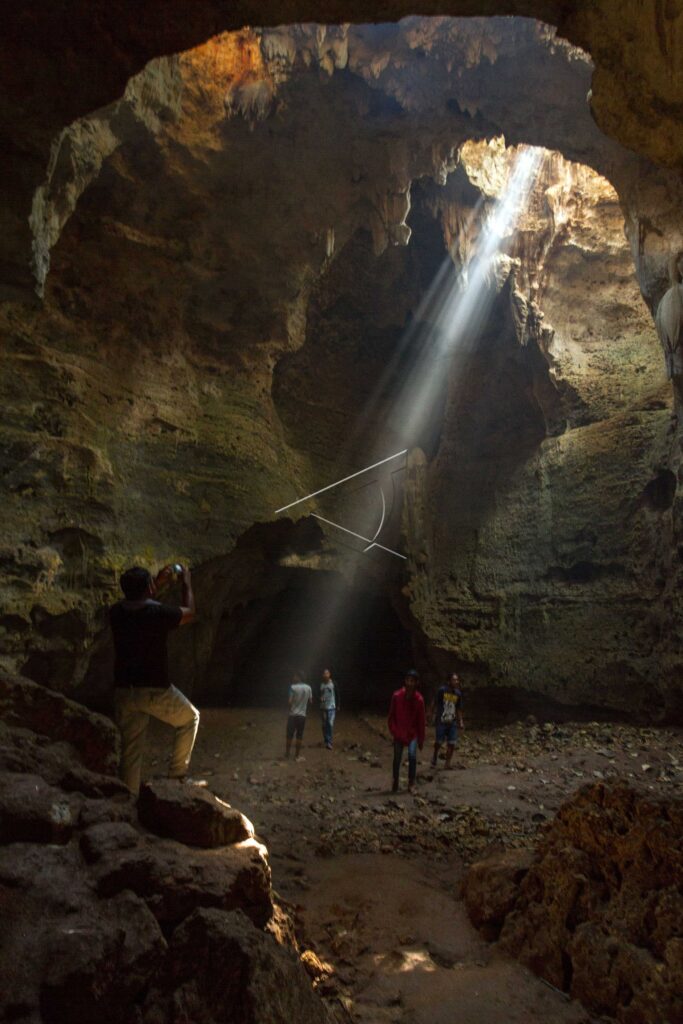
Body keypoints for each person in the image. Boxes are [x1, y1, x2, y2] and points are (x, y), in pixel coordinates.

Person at [110, 564, 198, 796]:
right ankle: (177, 777)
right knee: (190, 718)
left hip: (124, 692)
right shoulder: (159, 613)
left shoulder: (115, 613)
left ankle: (127, 800)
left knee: (131, 752)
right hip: (154, 690)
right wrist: (186, 583)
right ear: (148, 587)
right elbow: (189, 612)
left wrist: (155, 584)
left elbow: (134, 601)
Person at [388, 669, 425, 793]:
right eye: (408, 680)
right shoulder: (397, 696)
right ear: (405, 681)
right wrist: (393, 730)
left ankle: (411, 782)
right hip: (399, 732)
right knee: (397, 757)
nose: (409, 683)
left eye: (412, 681)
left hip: (412, 733)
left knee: (412, 756)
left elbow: (421, 720)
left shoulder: (419, 700)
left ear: (416, 683)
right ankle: (395, 780)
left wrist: (421, 739)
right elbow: (391, 715)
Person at [431, 672, 465, 769]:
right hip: (441, 721)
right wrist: (430, 714)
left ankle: (447, 764)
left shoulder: (458, 694)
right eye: (454, 680)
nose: (456, 682)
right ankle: (435, 754)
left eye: (457, 680)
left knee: (452, 743)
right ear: (448, 681)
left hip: (452, 721)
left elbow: (458, 708)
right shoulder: (442, 691)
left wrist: (460, 721)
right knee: (439, 742)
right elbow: (434, 702)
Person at [286, 672, 313, 761]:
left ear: (298, 677)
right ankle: (297, 756)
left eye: (294, 676)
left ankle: (287, 754)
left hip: (293, 715)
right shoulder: (308, 688)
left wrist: (291, 708)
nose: (293, 677)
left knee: (289, 735)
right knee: (299, 735)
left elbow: (289, 701)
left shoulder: (292, 687)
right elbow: (310, 701)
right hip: (302, 715)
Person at [319, 667, 340, 749]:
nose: (325, 675)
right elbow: (319, 694)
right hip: (323, 707)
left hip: (331, 707)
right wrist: (320, 698)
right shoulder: (321, 684)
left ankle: (329, 742)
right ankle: (326, 739)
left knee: (330, 724)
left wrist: (338, 705)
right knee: (324, 725)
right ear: (322, 675)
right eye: (324, 673)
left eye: (327, 673)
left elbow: (338, 694)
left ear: (329, 674)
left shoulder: (333, 683)